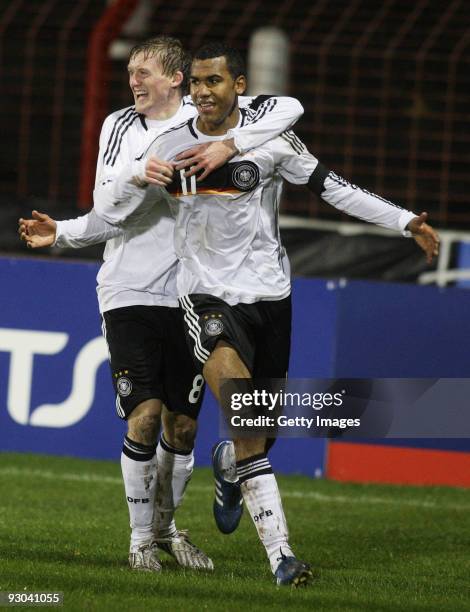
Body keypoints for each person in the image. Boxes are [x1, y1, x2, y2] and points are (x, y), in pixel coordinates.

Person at [92, 41, 439, 586]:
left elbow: (332, 186)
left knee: (260, 431)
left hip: (270, 298)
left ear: (240, 86)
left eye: (215, 82)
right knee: (243, 408)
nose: (204, 93)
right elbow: (112, 213)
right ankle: (282, 556)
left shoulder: (270, 142)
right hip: (204, 297)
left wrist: (403, 222)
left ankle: (231, 464)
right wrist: (106, 200)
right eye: (198, 83)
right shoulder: (169, 144)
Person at [18, 36, 306, 573]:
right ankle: (141, 541)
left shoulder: (206, 129)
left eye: (144, 72)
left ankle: (169, 529)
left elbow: (286, 110)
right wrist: (123, 187)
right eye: (130, 72)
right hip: (128, 290)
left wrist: (230, 145)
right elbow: (106, 207)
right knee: (144, 417)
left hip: (190, 297)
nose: (133, 81)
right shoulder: (121, 126)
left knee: (184, 428)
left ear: (177, 79)